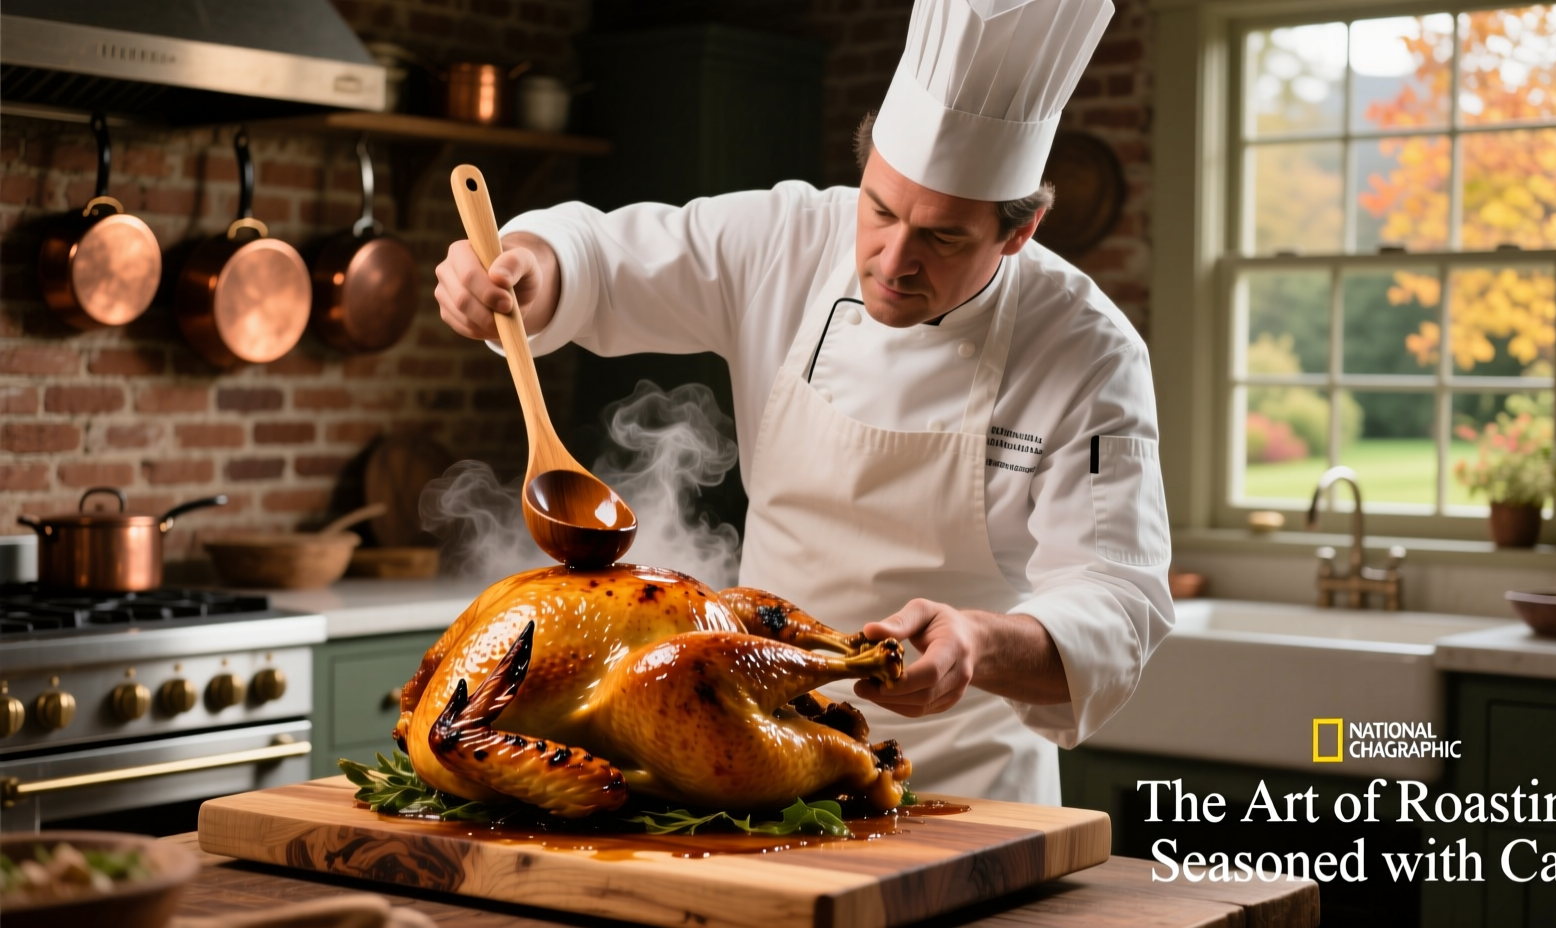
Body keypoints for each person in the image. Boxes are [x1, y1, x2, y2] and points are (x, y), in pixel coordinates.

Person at [434, 0, 1174, 805]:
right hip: (750, 758)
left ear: (1017, 233)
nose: (894, 259)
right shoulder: (789, 238)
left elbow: (1119, 598)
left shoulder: (1087, 348)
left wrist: (979, 643)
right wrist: (524, 272)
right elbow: (602, 259)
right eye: (881, 210)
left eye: (945, 237)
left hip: (974, 785)